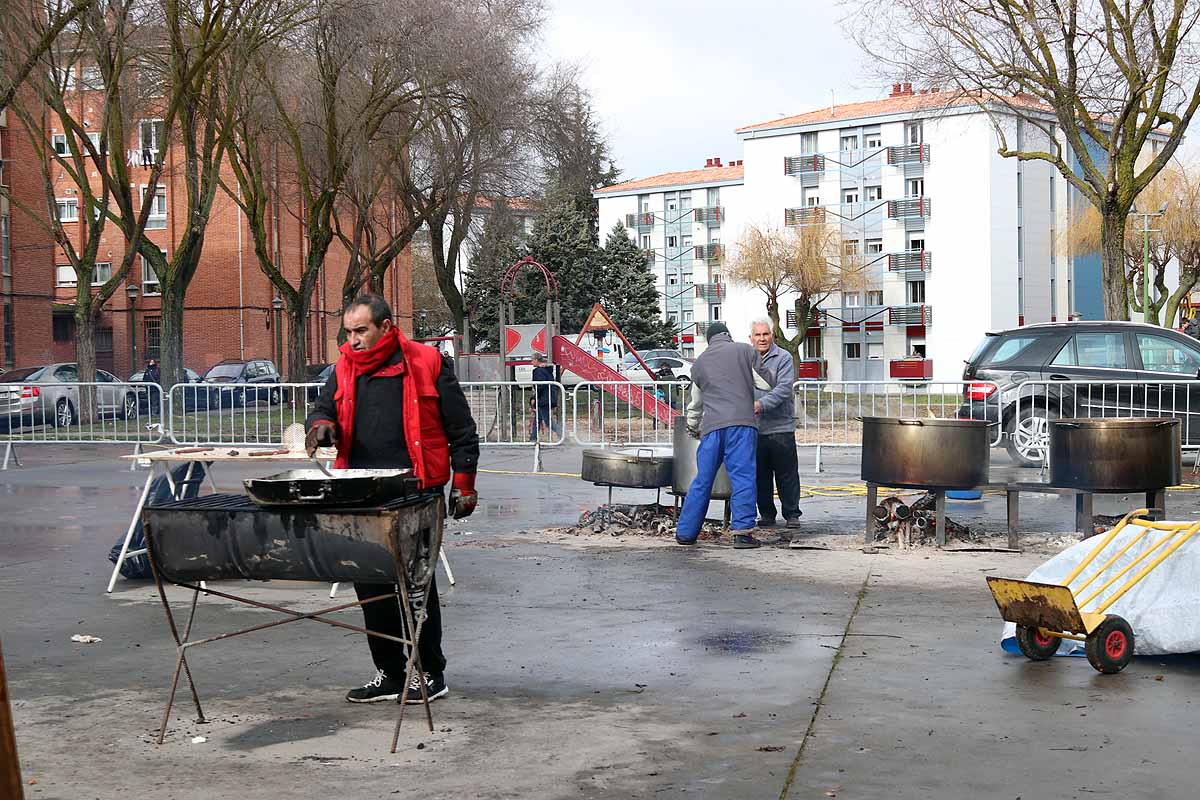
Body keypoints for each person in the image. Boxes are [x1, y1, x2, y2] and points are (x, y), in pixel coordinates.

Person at [306, 294, 479, 705]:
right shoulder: (343, 367)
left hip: (416, 491)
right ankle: (389, 672)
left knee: (416, 586)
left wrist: (465, 485)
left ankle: (430, 673)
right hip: (360, 490)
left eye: (360, 330)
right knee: (370, 586)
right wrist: (323, 426)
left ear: (385, 327)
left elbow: (462, 430)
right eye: (348, 332)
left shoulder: (428, 362)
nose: (353, 340)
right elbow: (322, 408)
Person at [676, 322, 772, 549]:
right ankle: (742, 534)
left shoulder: (698, 364)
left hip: (711, 428)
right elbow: (766, 382)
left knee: (702, 480)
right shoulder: (745, 351)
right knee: (742, 477)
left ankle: (686, 533)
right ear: (728, 335)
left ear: (709, 340)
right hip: (741, 424)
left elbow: (695, 403)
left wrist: (692, 427)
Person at [749, 320, 802, 533]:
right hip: (755, 428)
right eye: (757, 335)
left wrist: (761, 404)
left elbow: (784, 389)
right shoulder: (746, 359)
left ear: (772, 336)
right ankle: (767, 514)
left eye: (765, 334)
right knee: (760, 475)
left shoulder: (784, 358)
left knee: (786, 474)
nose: (762, 338)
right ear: (750, 338)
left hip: (781, 427)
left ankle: (792, 514)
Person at [530, 352, 561, 441]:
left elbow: (539, 386)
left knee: (548, 422)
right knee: (538, 419)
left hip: (544, 399)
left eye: (532, 360)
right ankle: (533, 438)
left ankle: (564, 436)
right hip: (548, 397)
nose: (531, 362)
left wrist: (535, 399)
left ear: (536, 360)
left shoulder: (538, 371)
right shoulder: (547, 370)